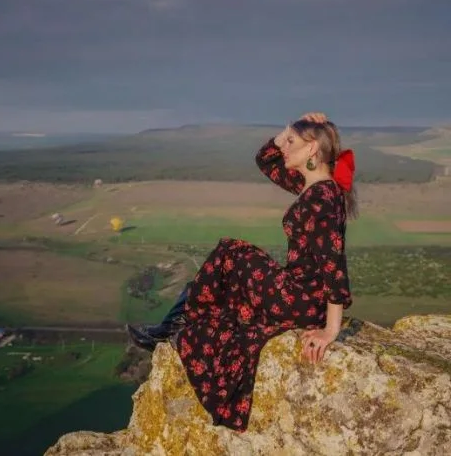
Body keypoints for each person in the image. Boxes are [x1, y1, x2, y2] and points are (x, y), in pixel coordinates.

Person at [126, 112, 357, 432]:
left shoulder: (321, 197)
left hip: (301, 299)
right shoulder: (311, 186)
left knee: (228, 252)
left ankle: (168, 329)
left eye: (292, 143)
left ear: (312, 149)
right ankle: (170, 327)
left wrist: (331, 329)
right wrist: (291, 128)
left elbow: (334, 265)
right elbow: (265, 159)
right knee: (223, 272)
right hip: (298, 293)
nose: (284, 148)